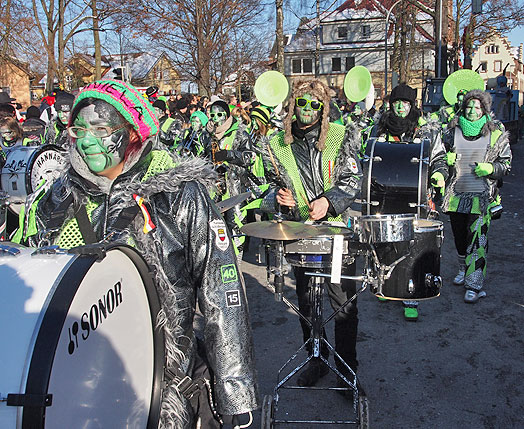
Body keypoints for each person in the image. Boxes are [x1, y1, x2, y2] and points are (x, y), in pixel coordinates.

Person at [14, 80, 259, 428]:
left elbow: (222, 292)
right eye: (79, 129)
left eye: (100, 128)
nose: (86, 140)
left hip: (166, 388)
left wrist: (234, 393)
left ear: (132, 133)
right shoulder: (56, 199)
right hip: (74, 392)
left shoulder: (178, 194)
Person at [260, 79, 362, 391]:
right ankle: (315, 360)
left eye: (314, 104)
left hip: (336, 233)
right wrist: (278, 197)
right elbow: (265, 185)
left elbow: (353, 176)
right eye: (301, 103)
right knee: (308, 302)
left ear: (323, 108)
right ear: (293, 105)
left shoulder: (340, 137)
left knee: (343, 304)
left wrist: (330, 200)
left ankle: (347, 370)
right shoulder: (277, 144)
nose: (307, 110)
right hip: (299, 234)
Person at [365, 83, 447, 320]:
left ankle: (412, 295)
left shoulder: (427, 131)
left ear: (413, 106)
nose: (400, 107)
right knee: (385, 242)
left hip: (416, 194)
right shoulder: (377, 128)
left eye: (406, 103)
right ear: (390, 104)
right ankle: (385, 284)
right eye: (396, 102)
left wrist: (439, 173)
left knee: (413, 245)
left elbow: (439, 157)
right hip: (385, 193)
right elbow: (368, 157)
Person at [440, 89, 512, 303]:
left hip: (481, 198)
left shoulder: (496, 133)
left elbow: (506, 164)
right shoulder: (452, 131)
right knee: (460, 239)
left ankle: (474, 284)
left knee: (478, 242)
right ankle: (464, 269)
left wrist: (490, 168)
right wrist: (447, 161)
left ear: (484, 110)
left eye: (477, 107)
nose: (472, 110)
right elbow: (439, 157)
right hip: (456, 195)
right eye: (469, 106)